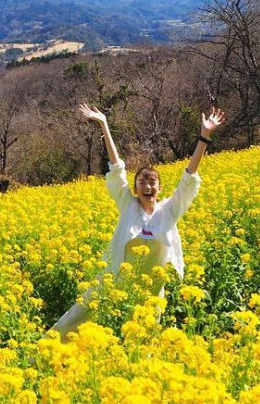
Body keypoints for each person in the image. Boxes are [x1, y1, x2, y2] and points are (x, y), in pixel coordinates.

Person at [48, 103, 225, 340]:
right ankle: (48, 353)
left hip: (150, 293)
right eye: (142, 181)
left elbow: (189, 178)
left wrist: (204, 136)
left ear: (160, 189)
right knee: (80, 319)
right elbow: (116, 167)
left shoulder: (169, 211)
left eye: (152, 182)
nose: (147, 186)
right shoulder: (128, 205)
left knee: (144, 341)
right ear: (134, 188)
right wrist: (104, 123)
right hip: (114, 285)